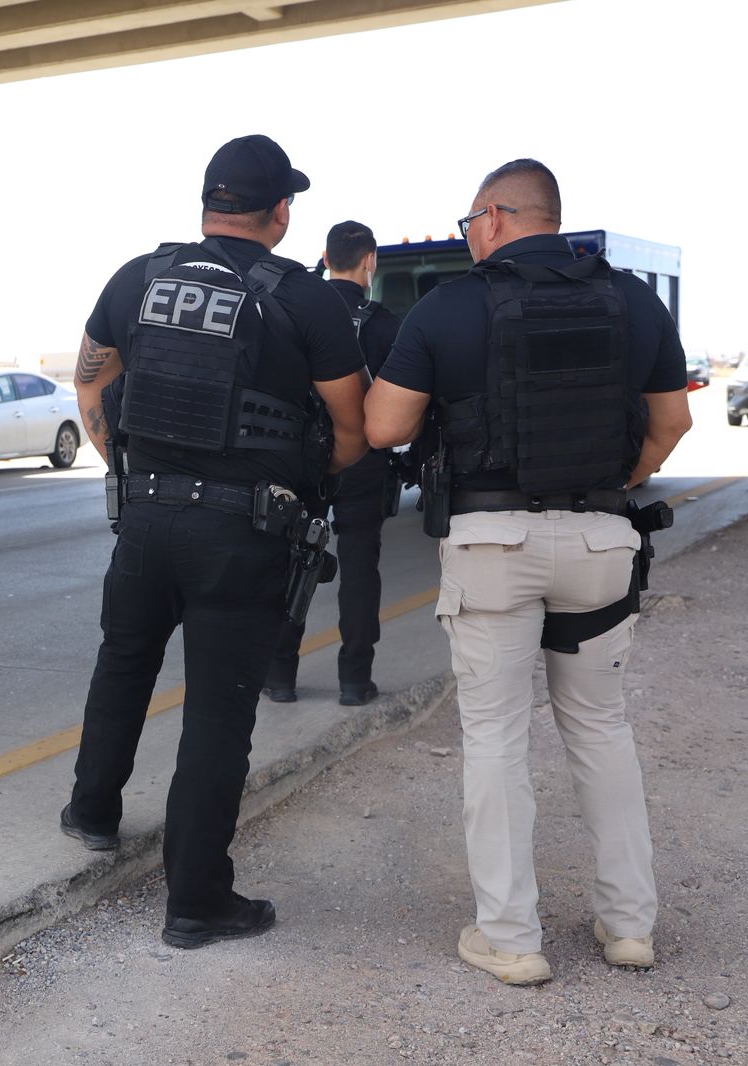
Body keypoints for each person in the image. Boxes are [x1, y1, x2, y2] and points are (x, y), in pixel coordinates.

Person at [365, 159, 691, 984]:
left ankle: (511, 940)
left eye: (470, 223)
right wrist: (612, 484)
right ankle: (629, 927)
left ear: (497, 217)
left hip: (492, 546)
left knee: (496, 740)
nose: (470, 236)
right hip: (600, 544)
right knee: (602, 729)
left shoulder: (448, 306)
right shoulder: (633, 301)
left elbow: (383, 427)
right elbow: (673, 421)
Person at [62, 134, 369, 949]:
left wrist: (131, 469)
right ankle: (196, 901)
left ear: (208, 203)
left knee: (123, 661)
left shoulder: (138, 277)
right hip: (243, 532)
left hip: (145, 518)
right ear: (281, 212)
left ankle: (92, 812)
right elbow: (354, 430)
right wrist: (293, 480)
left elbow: (91, 380)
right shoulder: (306, 300)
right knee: (217, 713)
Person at [264, 221, 402, 705]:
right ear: (370, 261)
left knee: (295, 561)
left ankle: (280, 675)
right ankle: (354, 680)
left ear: (325, 258)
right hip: (363, 458)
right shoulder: (385, 324)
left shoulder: (297, 310)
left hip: (304, 459)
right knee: (361, 568)